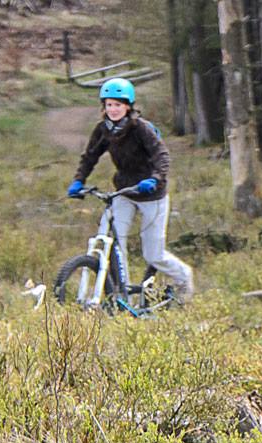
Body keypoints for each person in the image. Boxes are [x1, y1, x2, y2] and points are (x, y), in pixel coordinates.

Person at [67, 78, 194, 302]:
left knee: (153, 254)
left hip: (152, 195)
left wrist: (155, 178)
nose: (113, 110)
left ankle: (184, 277)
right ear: (103, 107)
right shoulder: (103, 130)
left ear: (128, 106)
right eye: (108, 105)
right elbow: (89, 157)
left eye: (117, 104)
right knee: (114, 243)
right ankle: (121, 294)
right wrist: (78, 181)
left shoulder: (141, 128)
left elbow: (161, 156)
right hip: (124, 192)